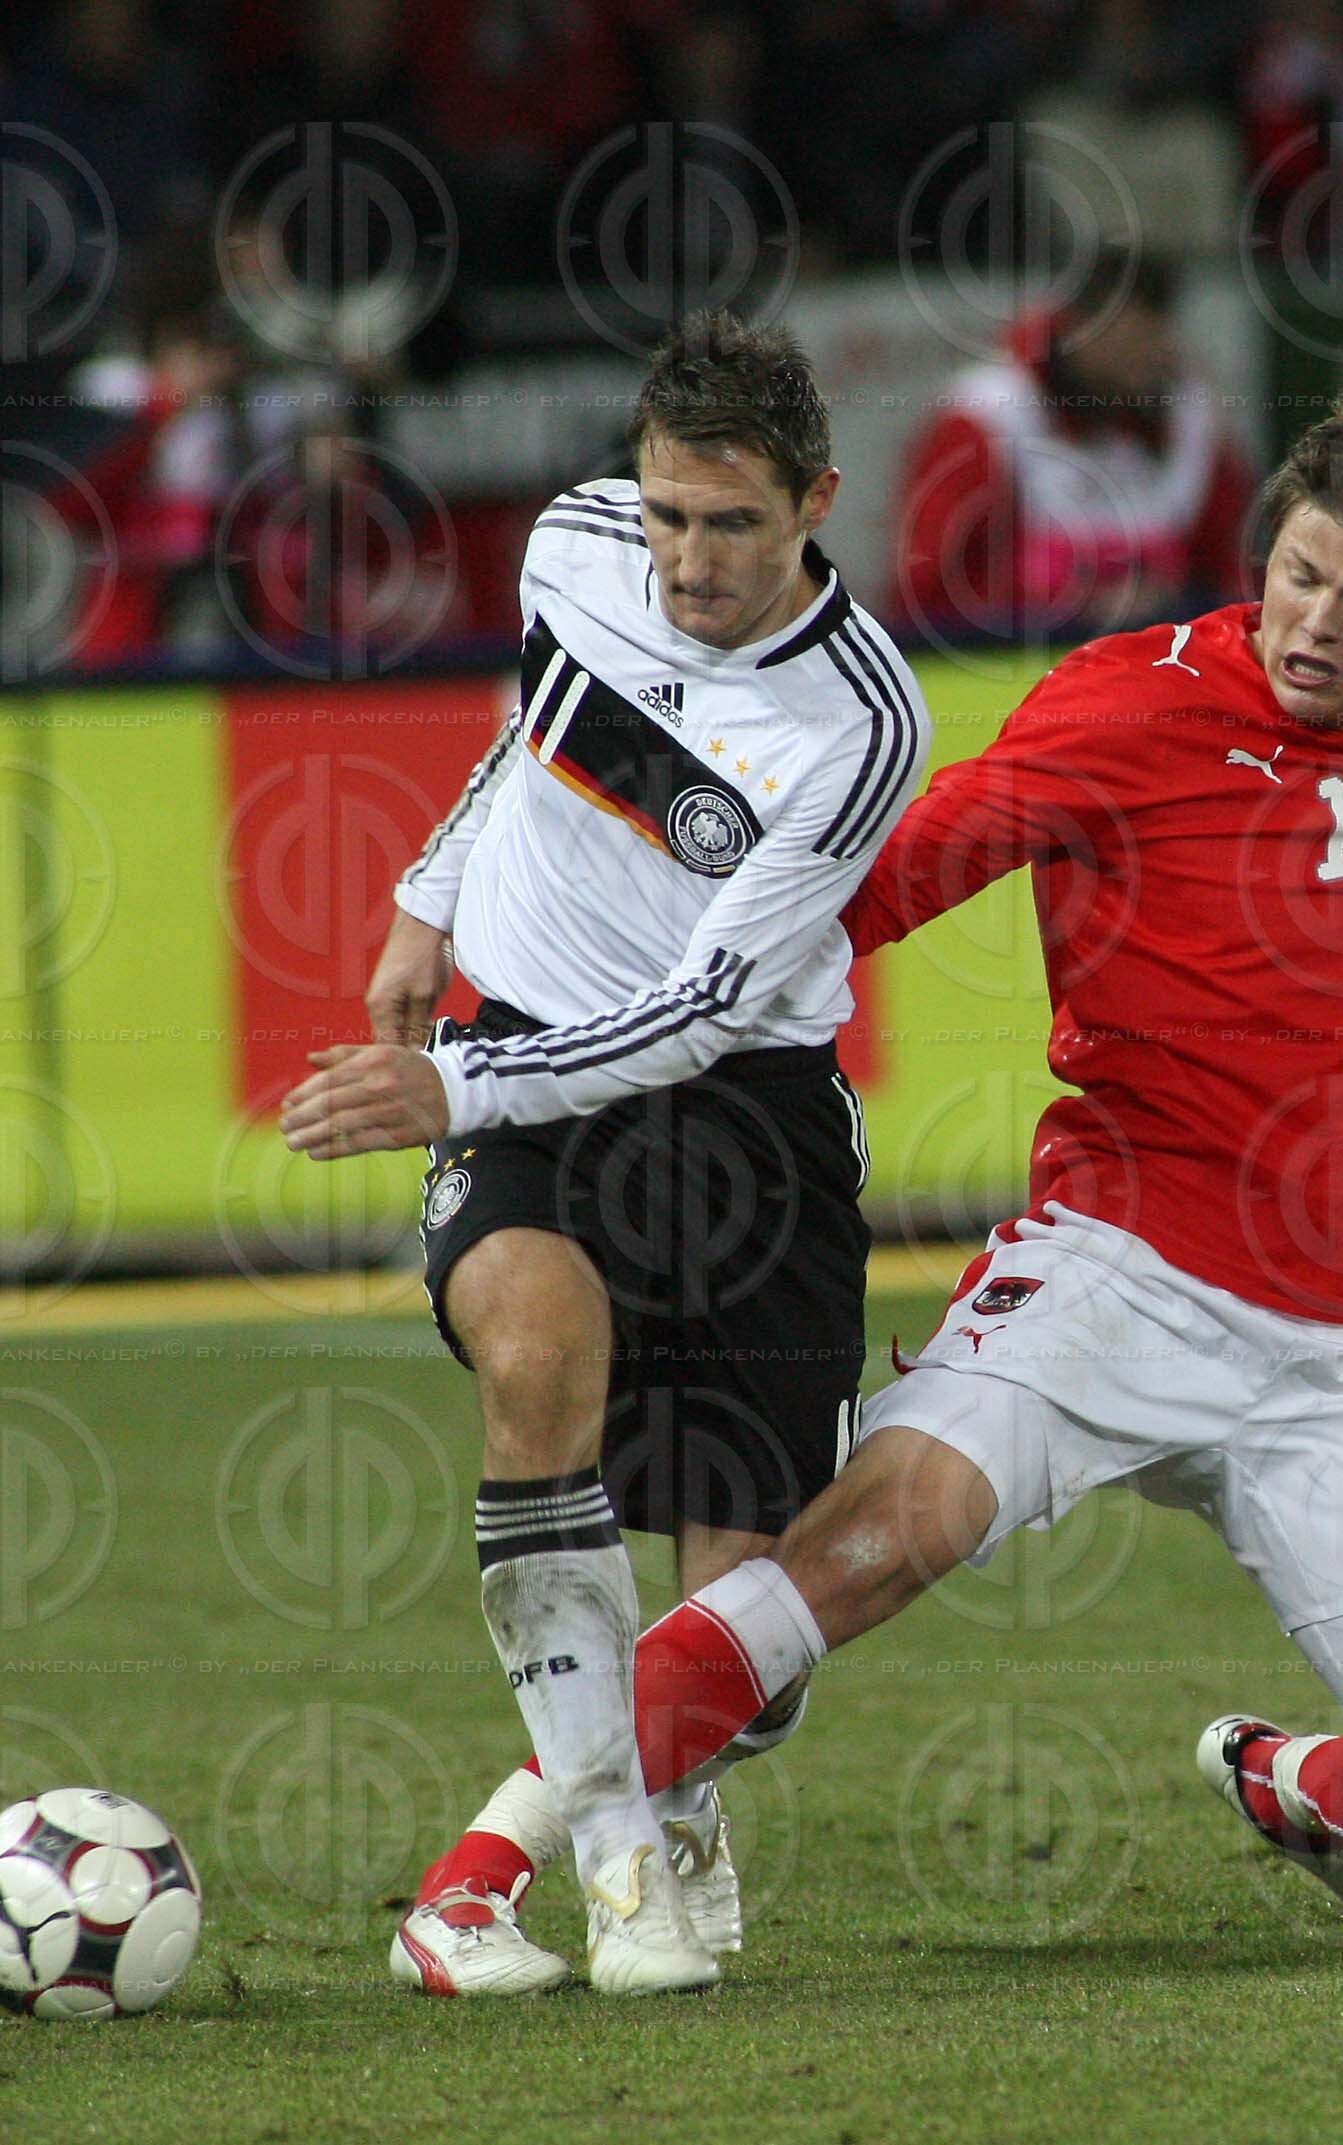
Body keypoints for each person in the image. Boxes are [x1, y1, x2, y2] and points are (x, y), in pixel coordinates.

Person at [408, 384, 1343, 1949]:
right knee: (862, 1551)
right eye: (1295, 573)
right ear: (1260, 551)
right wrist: (595, 1027)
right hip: (1124, 1268)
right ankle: (489, 1865)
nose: (1313, 622)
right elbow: (863, 894)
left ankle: (1299, 1778)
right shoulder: (1126, 708)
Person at [279, 311, 930, 1996]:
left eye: (728, 525)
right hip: (523, 1068)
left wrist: (449, 1101)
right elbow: (537, 719)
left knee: (749, 1651)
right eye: (665, 514)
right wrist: (435, 892)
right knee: (534, 1365)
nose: (686, 560)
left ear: (813, 506)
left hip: (743, 1121)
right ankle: (614, 1863)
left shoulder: (858, 726)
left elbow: (711, 1004)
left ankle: (676, 1803)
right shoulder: (573, 545)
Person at [893, 248, 1253, 647]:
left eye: (1157, 332)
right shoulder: (986, 417)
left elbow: (1227, 570)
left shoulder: (1191, 422)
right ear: (1078, 327)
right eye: (1131, 335)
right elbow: (928, 591)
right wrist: (1071, 608)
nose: (1149, 352)